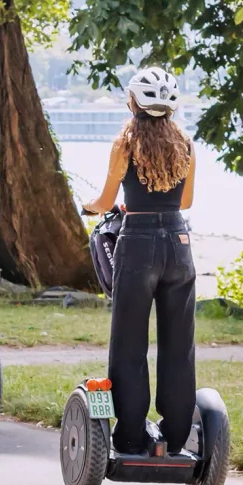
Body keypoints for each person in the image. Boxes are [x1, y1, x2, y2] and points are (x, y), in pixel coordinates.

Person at [81, 67, 198, 454]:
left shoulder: (125, 144)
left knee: (130, 342)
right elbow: (185, 202)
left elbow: (104, 199)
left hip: (139, 244)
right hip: (179, 244)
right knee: (178, 344)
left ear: (134, 103)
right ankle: (177, 435)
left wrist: (90, 207)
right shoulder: (185, 143)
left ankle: (131, 435)